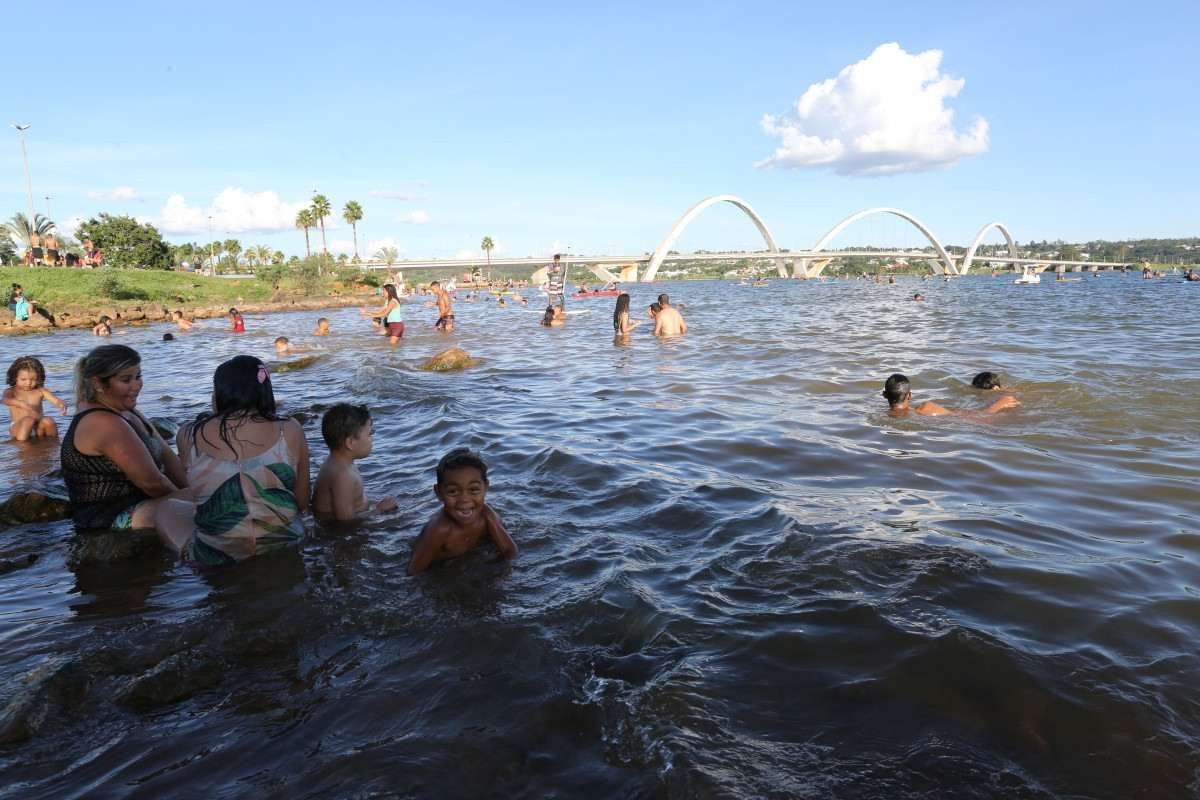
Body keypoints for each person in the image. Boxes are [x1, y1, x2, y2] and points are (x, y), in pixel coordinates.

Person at [172, 356, 309, 565]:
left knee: (164, 510)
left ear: (219, 393)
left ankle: (185, 556)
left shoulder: (188, 434)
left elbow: (195, 493)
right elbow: (302, 501)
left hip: (217, 556)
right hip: (285, 543)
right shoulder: (289, 429)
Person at [60, 345, 190, 533]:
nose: (136, 385)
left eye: (138, 377)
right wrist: (192, 502)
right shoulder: (102, 422)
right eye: (126, 380)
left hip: (142, 502)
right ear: (98, 384)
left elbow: (168, 457)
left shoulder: (128, 411)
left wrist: (191, 489)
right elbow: (153, 484)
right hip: (106, 519)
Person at [407, 448, 517, 575]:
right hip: (442, 570)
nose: (464, 500)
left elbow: (510, 550)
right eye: (453, 491)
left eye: (473, 489)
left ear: (486, 487)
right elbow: (414, 571)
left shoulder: (486, 515)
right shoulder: (440, 529)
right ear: (439, 493)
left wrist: (509, 575)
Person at [313, 404, 397, 522]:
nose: (372, 438)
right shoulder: (342, 475)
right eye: (369, 434)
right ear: (350, 442)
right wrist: (379, 510)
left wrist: (373, 505)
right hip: (337, 535)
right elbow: (346, 521)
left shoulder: (338, 463)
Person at [882, 373, 1018, 417]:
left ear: (884, 395)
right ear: (910, 395)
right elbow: (974, 419)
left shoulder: (881, 417)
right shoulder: (926, 409)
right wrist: (998, 405)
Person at [4, 356, 68, 441]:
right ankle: (22, 447)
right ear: (15, 378)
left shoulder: (40, 391)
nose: (28, 383)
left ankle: (54, 444)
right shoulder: (11, 391)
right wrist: (20, 403)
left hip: (38, 426)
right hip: (19, 427)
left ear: (38, 378)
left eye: (33, 379)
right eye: (23, 379)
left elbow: (55, 400)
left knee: (48, 420)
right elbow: (5, 400)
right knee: (28, 420)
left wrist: (61, 404)